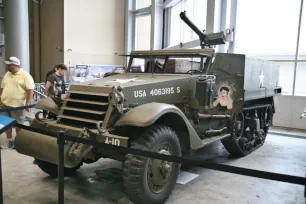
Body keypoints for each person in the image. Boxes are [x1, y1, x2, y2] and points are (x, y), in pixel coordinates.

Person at [0, 56, 35, 149]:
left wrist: (27, 104)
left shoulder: (25, 75)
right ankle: (9, 141)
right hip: (4, 104)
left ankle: (19, 142)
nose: (7, 67)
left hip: (18, 105)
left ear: (15, 65)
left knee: (18, 124)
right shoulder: (7, 74)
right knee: (6, 124)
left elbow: (30, 90)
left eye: (9, 65)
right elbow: (2, 88)